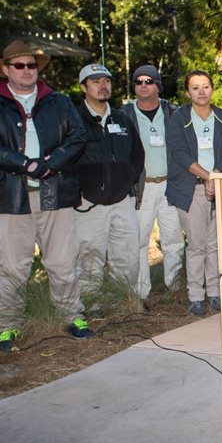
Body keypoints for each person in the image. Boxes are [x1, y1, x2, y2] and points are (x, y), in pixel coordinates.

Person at [0, 40, 89, 351]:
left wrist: (51, 163)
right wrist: (25, 164)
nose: (26, 71)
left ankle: (71, 315)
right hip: (10, 196)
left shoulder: (59, 102)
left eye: (31, 65)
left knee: (63, 260)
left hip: (55, 193)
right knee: (10, 263)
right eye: (19, 65)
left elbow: (78, 138)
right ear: (6, 70)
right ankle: (6, 325)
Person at [166, 71, 222, 316]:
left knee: (215, 244)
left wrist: (216, 174)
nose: (201, 91)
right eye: (195, 87)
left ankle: (215, 293)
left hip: (218, 186)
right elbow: (179, 153)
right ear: (188, 92)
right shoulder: (179, 119)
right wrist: (208, 177)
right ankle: (195, 295)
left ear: (212, 89)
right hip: (191, 188)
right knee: (196, 245)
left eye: (205, 86)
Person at [71, 63, 144, 296]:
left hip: (122, 201)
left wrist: (127, 179)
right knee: (89, 258)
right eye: (96, 81)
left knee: (127, 254)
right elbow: (65, 160)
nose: (103, 86)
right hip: (88, 204)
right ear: (83, 87)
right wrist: (80, 189)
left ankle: (122, 301)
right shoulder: (73, 120)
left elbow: (137, 154)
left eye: (107, 81)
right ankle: (90, 306)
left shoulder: (122, 119)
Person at [123, 65, 184, 300]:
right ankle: (140, 294)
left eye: (149, 81)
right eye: (138, 81)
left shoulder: (173, 112)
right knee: (139, 242)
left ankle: (175, 288)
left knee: (174, 240)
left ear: (158, 85)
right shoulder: (125, 114)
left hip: (170, 185)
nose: (144, 85)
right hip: (141, 187)